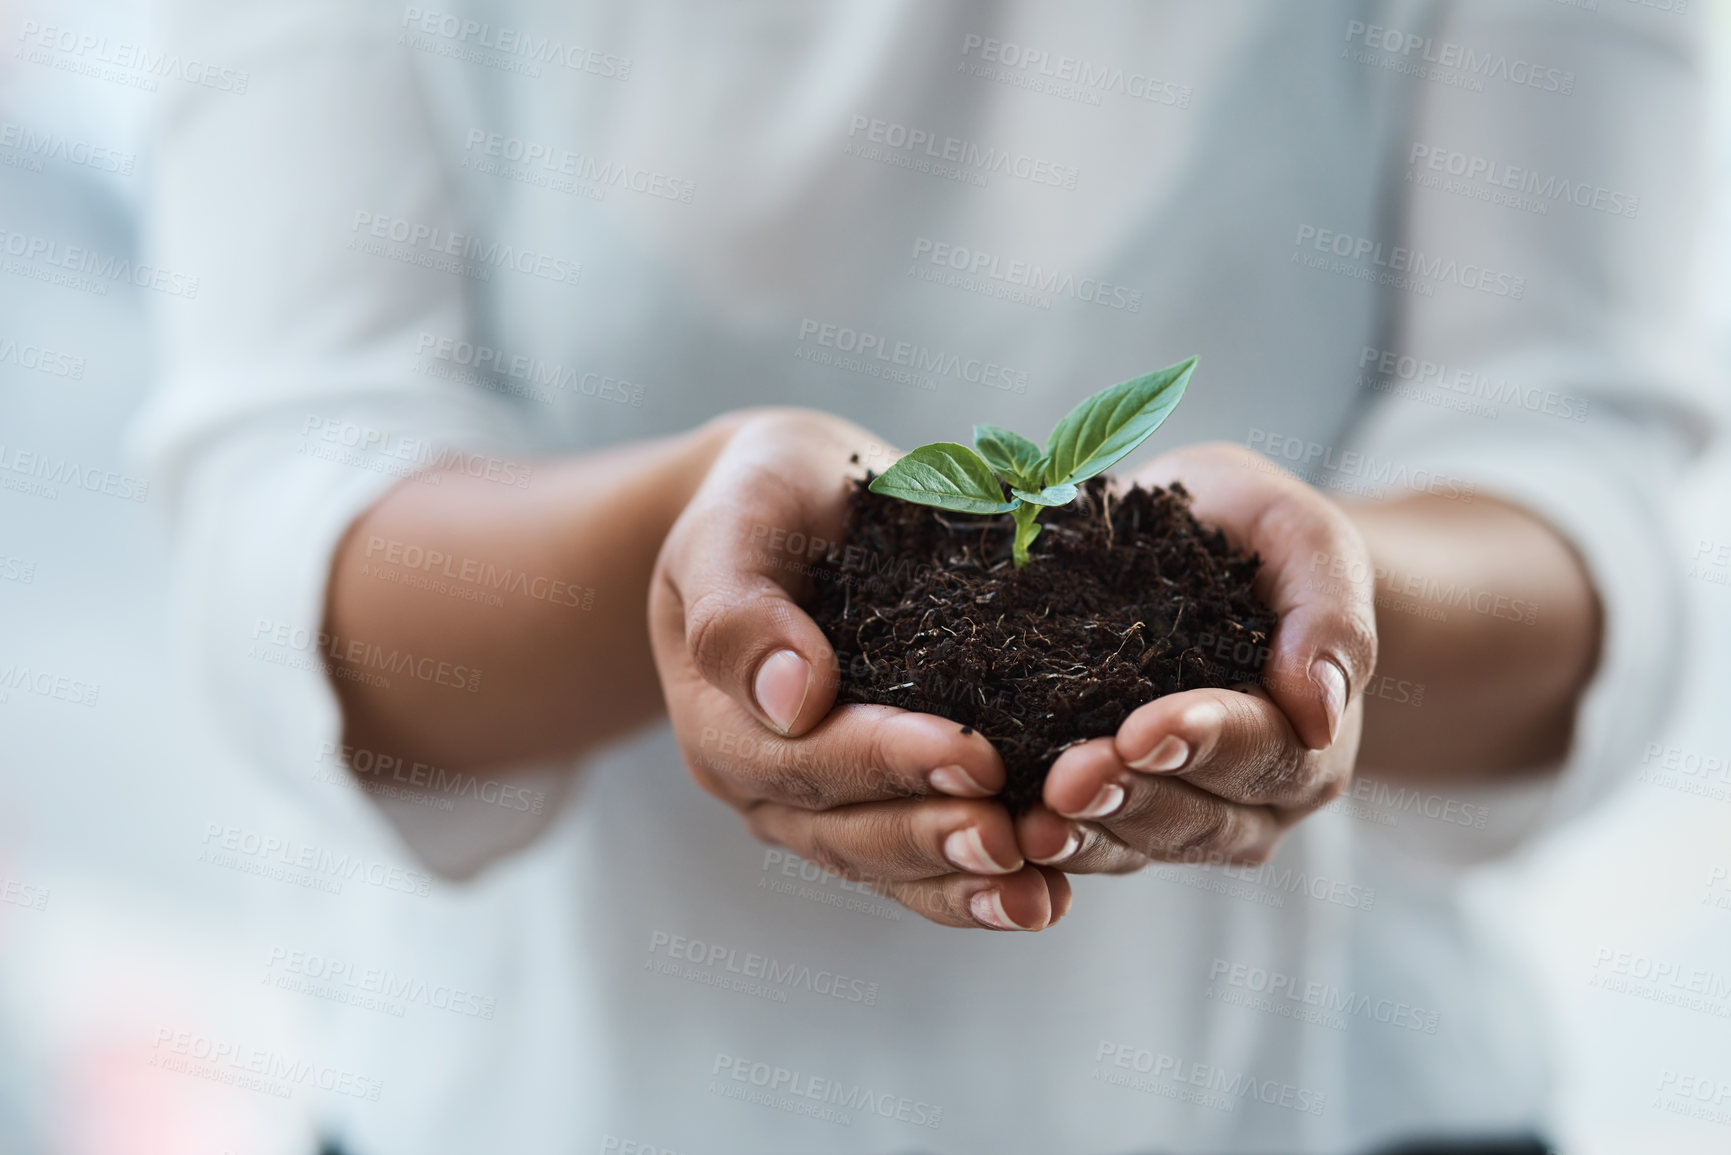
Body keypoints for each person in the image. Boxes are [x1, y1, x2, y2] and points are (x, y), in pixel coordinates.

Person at [135, 0, 1716, 1151]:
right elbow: (293, 523)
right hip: (563, 1098)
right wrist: (677, 541)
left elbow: (1576, 493)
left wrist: (1332, 602)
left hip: (1326, 1100)